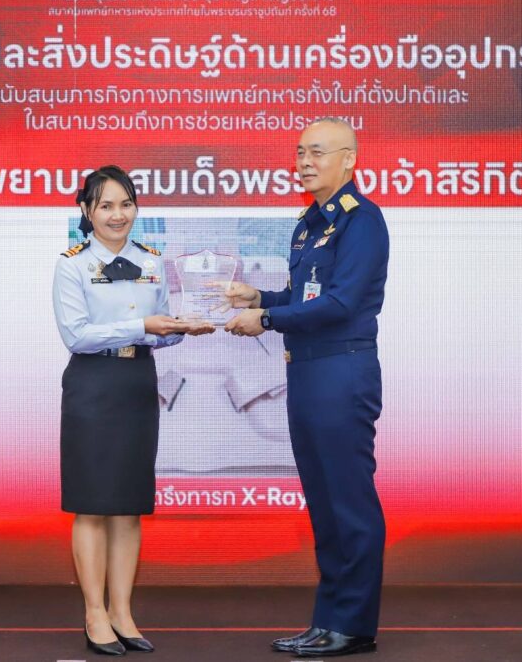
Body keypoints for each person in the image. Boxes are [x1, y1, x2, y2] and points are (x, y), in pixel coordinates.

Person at [223, 118, 390, 657]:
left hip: (342, 374)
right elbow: (304, 297)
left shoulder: (362, 221)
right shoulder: (309, 224)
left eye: (317, 152)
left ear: (349, 159)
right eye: (299, 152)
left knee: (348, 503)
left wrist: (268, 320)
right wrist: (259, 299)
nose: (304, 162)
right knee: (324, 504)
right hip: (308, 375)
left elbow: (340, 304)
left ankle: (353, 625)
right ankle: (328, 621)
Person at [52, 166, 213, 656]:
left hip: (137, 384)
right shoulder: (72, 264)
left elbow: (156, 334)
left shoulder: (152, 262)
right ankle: (94, 613)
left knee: (128, 505)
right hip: (92, 385)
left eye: (125, 204)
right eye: (105, 206)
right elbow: (76, 335)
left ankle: (122, 612)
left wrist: (179, 328)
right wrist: (143, 325)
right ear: (87, 211)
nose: (117, 215)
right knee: (92, 505)